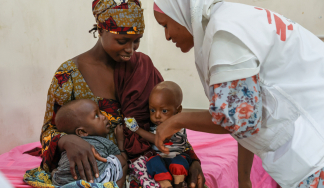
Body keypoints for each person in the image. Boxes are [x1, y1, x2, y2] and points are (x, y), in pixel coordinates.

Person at [24, 0, 205, 187]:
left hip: (147, 165)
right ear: (100, 30)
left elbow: (168, 119)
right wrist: (66, 140)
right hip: (94, 172)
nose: (130, 49)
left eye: (136, 40)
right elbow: (48, 132)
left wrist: (192, 160)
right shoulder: (68, 75)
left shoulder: (143, 69)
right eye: (122, 41)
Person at [152, 0, 324, 188]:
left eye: (165, 25)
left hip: (315, 153)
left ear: (180, 13)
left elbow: (238, 120)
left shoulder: (225, 32)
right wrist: (243, 180)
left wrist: (178, 120)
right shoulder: (233, 21)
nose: (167, 36)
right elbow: (244, 122)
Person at [125, 81, 192, 188]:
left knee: (179, 162)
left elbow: (159, 139)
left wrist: (137, 129)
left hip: (177, 156)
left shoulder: (176, 126)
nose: (157, 116)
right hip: (161, 159)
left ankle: (178, 183)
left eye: (164, 111)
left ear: (178, 110)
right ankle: (165, 184)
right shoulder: (153, 125)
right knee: (152, 162)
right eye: (152, 110)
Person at [51, 99, 127, 187]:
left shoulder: (69, 148)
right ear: (82, 131)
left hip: (63, 182)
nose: (104, 117)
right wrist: (120, 142)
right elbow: (122, 158)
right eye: (96, 115)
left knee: (57, 171)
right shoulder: (103, 141)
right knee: (121, 160)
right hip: (96, 179)